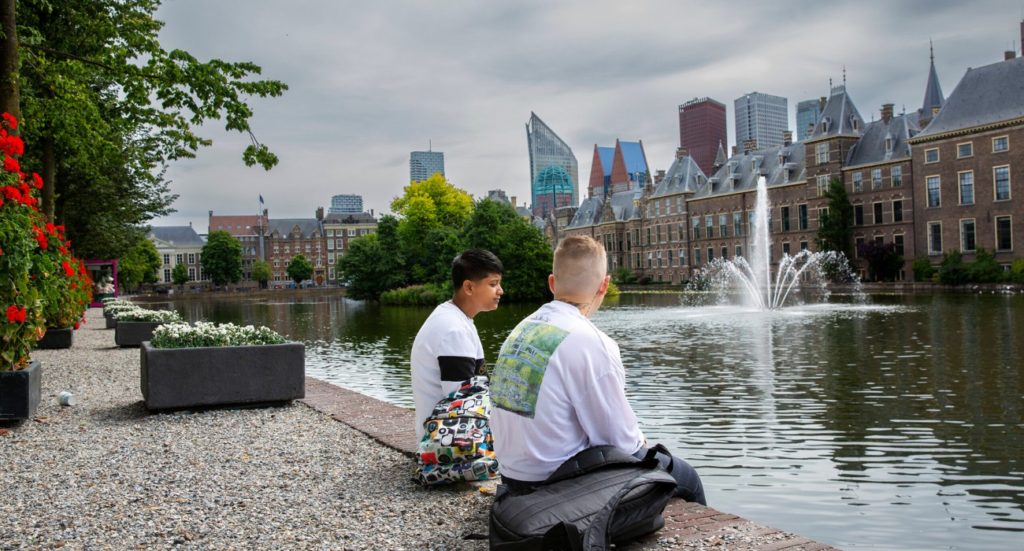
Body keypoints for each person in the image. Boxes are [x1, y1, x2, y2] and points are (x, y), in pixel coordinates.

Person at [489, 235, 705, 504]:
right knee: (688, 478)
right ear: (605, 285)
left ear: (552, 283)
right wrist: (640, 441)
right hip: (555, 487)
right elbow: (623, 445)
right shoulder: (592, 342)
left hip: (513, 479)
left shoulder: (522, 329)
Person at [411, 249, 504, 439]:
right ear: (469, 287)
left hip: (444, 433)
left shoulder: (454, 317)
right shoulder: (454, 330)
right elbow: (462, 404)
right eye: (493, 284)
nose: (500, 291)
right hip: (448, 445)